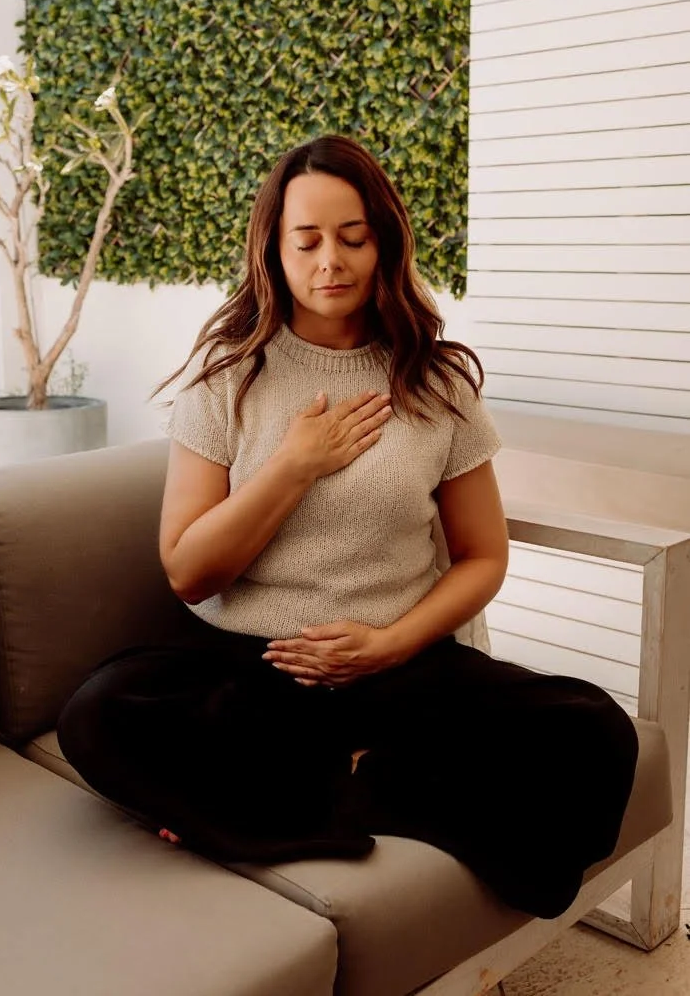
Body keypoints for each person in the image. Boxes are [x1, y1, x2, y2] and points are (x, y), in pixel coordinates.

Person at [57, 134, 638, 919]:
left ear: (382, 243)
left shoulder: (437, 381)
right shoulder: (227, 376)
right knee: (100, 712)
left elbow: (481, 554)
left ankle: (340, 796)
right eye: (306, 241)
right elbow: (190, 571)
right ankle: (351, 791)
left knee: (595, 732)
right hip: (257, 668)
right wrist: (295, 464)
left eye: (351, 237)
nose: (329, 260)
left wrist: (388, 644)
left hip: (398, 665)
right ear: (274, 250)